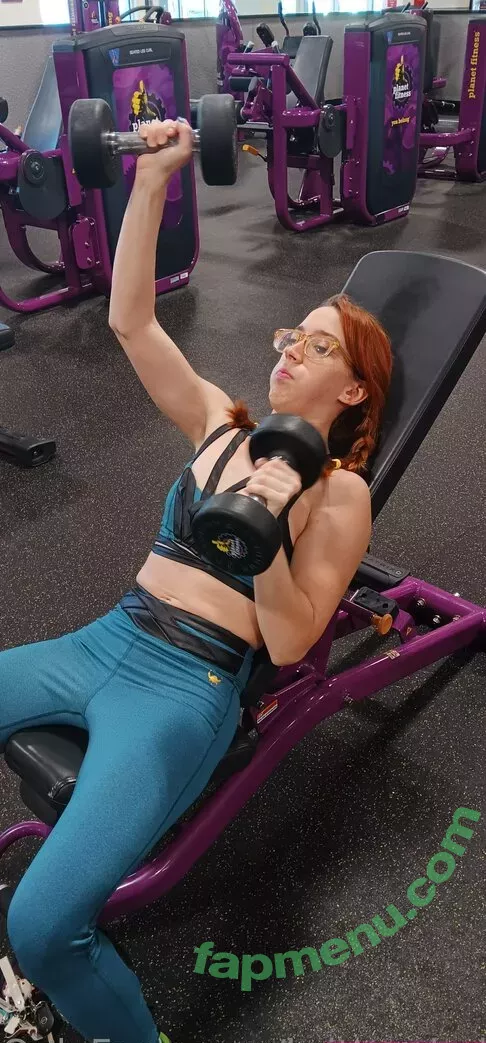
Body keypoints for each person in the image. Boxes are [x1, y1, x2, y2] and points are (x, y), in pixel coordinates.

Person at [0, 120, 392, 1043]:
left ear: (353, 392)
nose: (290, 348)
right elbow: (131, 322)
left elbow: (290, 642)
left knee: (43, 928)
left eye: (320, 347)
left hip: (188, 686)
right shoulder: (221, 421)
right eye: (293, 333)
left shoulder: (341, 494)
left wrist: (265, 533)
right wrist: (153, 181)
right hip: (107, 636)